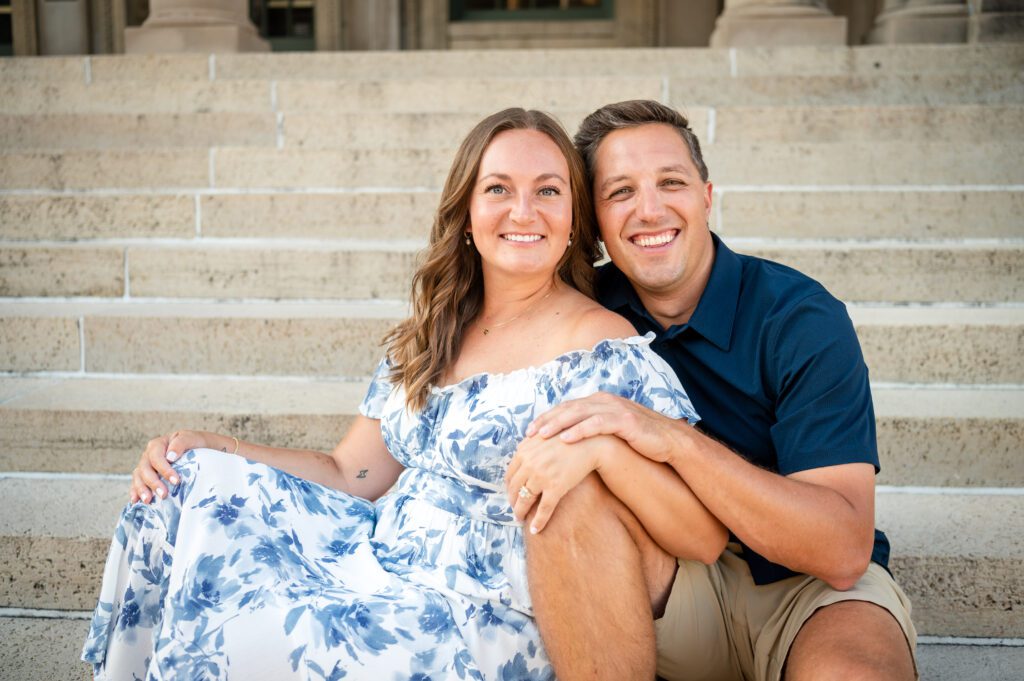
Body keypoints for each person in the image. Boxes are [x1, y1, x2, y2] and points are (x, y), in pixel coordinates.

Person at [81, 107, 725, 680]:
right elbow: (351, 471)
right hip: (377, 554)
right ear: (468, 216)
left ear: (572, 219)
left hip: (482, 609)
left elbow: (698, 535)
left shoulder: (600, 344)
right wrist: (213, 446)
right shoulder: (431, 333)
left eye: (547, 191)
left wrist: (603, 455)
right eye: (498, 189)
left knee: (275, 634)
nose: (523, 212)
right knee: (182, 485)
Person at [506, 100, 918, 681]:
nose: (649, 210)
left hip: (809, 590)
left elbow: (843, 548)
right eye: (620, 191)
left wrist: (673, 440)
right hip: (669, 580)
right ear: (594, 221)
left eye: (670, 182)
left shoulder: (798, 317)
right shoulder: (582, 312)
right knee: (566, 495)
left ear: (705, 195)